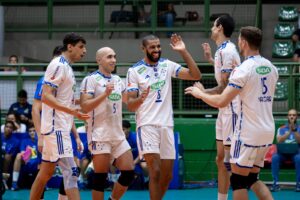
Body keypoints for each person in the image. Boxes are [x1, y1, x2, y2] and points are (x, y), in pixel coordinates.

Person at [185, 26, 278, 200]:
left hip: (247, 132)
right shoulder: (272, 68)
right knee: (251, 178)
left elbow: (222, 101)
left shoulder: (243, 70)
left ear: (243, 42)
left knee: (238, 181)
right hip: (267, 131)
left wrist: (200, 94)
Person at [126, 34, 201, 200]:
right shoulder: (134, 71)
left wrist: (183, 51)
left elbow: (196, 75)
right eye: (152, 47)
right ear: (143, 48)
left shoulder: (167, 65)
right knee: (155, 172)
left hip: (167, 125)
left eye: (158, 46)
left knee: (167, 177)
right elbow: (130, 104)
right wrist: (141, 98)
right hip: (146, 124)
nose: (156, 50)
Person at [30, 32, 89, 200]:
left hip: (59, 128)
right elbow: (46, 96)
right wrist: (72, 111)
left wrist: (84, 101)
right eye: (81, 47)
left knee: (46, 173)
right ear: (69, 47)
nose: (84, 51)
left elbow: (64, 100)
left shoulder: (67, 67)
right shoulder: (58, 65)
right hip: (56, 130)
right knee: (72, 172)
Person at [80, 47, 135, 200]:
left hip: (117, 134)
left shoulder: (117, 80)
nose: (113, 60)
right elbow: (85, 106)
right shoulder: (90, 80)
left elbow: (128, 102)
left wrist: (141, 97)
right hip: (99, 134)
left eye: (115, 56)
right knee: (100, 177)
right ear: (99, 60)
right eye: (109, 57)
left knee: (129, 172)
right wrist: (105, 94)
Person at [201, 14, 240, 200]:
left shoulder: (228, 51)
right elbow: (224, 72)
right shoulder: (221, 50)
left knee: (230, 161)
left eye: (213, 25)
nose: (211, 28)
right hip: (224, 110)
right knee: (220, 159)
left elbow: (224, 87)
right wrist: (210, 59)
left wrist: (201, 92)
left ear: (220, 28)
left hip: (232, 108)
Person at [271, 108, 300, 192]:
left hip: (295, 153)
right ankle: (275, 183)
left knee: (299, 158)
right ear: (287, 116)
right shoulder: (281, 128)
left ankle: (298, 184)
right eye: (290, 115)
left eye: (294, 115)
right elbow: (279, 140)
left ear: (296, 117)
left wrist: (294, 130)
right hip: (282, 154)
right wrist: (288, 132)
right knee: (275, 157)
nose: (292, 117)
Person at [11, 125, 40, 191]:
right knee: (18, 155)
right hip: (27, 161)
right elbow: (23, 154)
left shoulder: (40, 141)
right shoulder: (24, 141)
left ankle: (44, 184)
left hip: (38, 163)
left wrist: (31, 151)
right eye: (30, 131)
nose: (32, 132)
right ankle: (14, 183)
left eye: (34, 131)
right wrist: (29, 151)